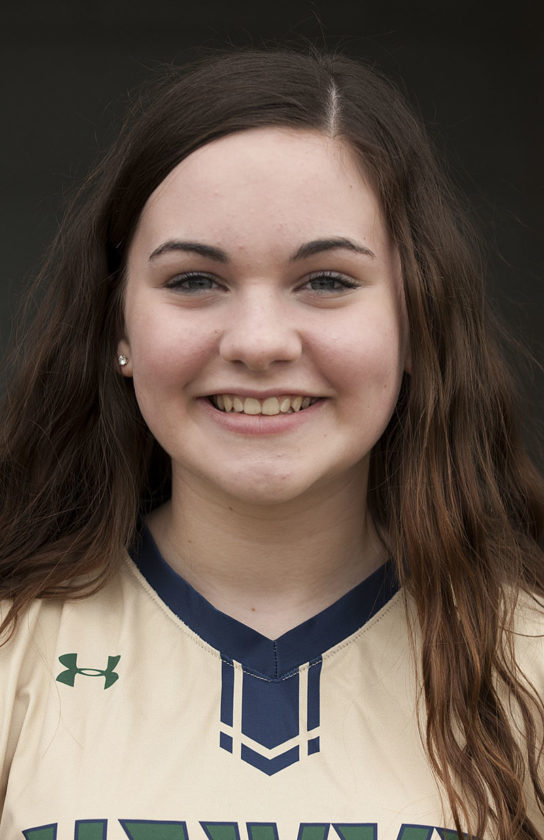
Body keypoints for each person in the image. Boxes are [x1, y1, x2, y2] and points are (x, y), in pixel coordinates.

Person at [0, 47, 542, 840]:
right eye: (194, 280)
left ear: (417, 321)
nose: (258, 342)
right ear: (119, 327)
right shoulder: (13, 649)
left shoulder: (527, 662)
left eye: (327, 280)